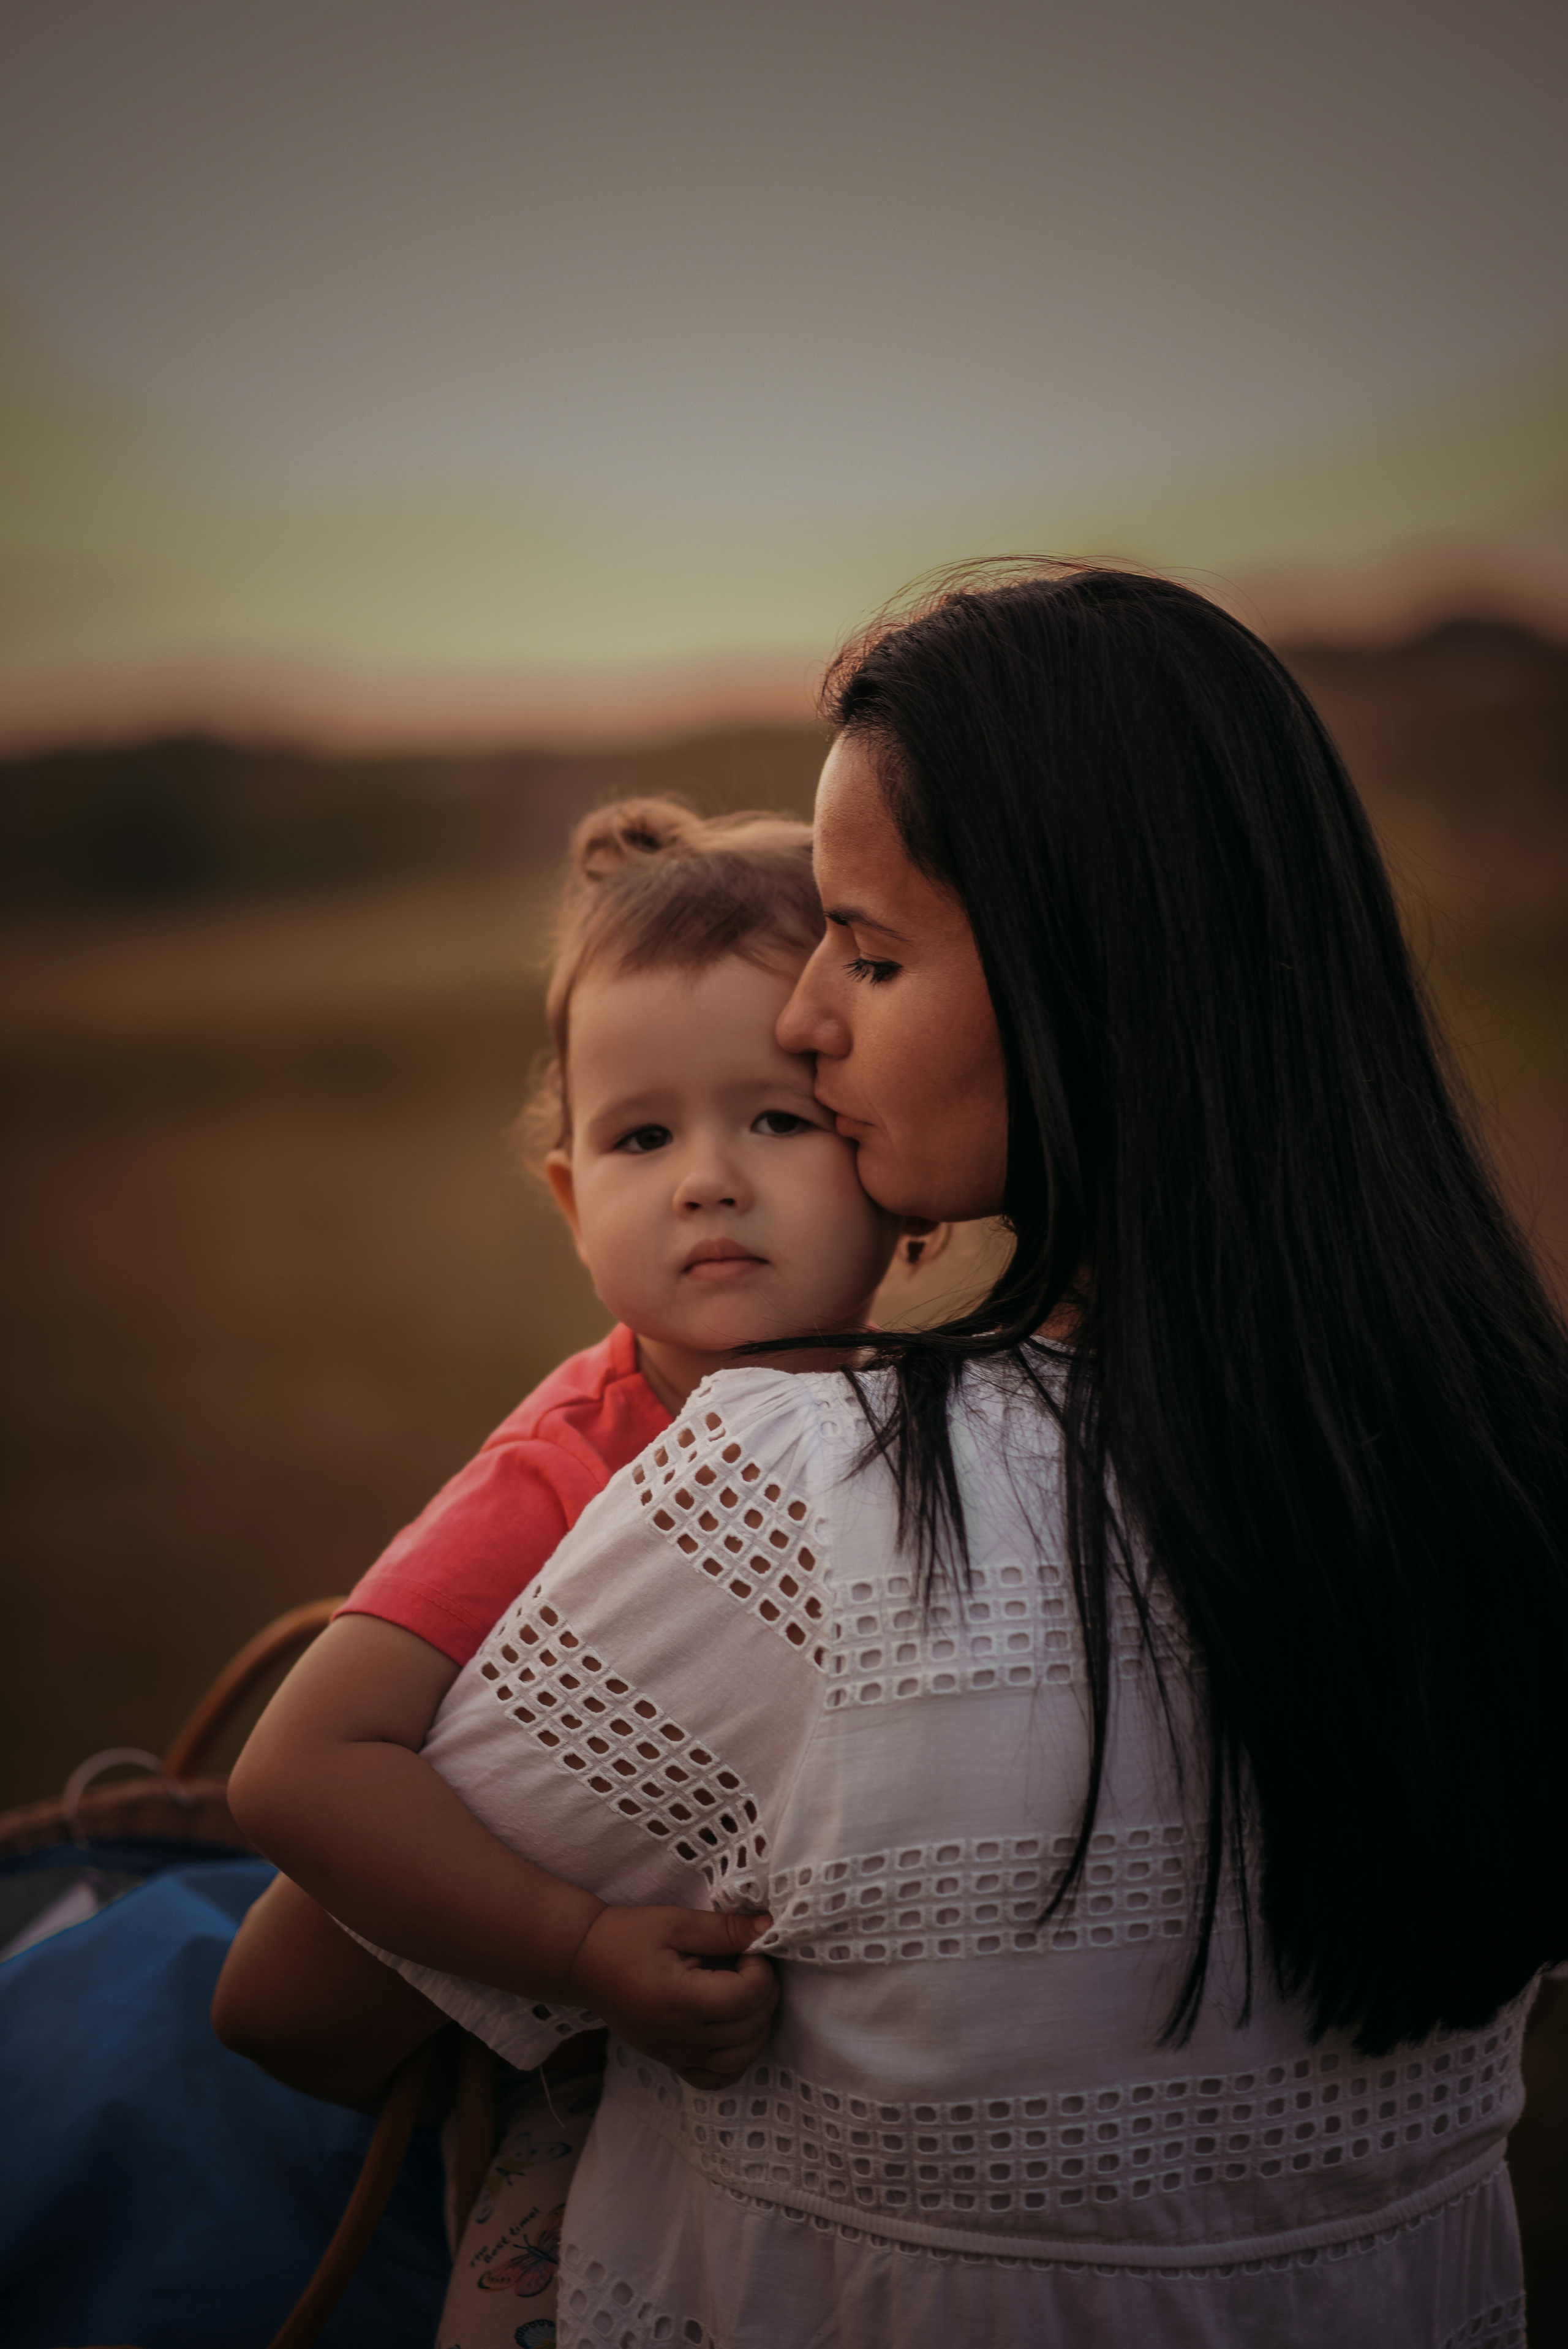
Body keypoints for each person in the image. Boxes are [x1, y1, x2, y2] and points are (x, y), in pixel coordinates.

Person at [221, 562, 1568, 2345]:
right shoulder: (1497, 1454)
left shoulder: (801, 1488)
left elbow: (297, 2008)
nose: (805, 1020)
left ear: (1080, 972)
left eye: (869, 952)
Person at [222, 795, 936, 2337]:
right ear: (568, 1201)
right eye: (640, 1135)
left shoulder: (938, 1416)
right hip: (592, 2082)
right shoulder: (571, 1463)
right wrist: (580, 1949)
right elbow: (293, 1771)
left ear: (895, 1167)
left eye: (777, 1118)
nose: (705, 1178)